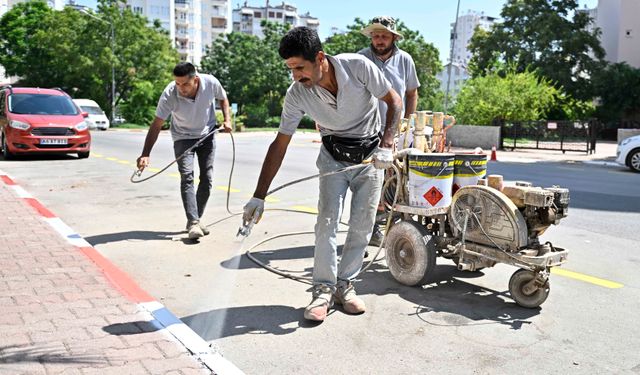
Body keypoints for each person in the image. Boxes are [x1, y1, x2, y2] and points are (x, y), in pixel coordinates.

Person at [242, 27, 402, 322]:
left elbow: (394, 101)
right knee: (326, 224)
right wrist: (258, 196)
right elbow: (280, 142)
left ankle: (345, 286)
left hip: (371, 158)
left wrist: (387, 144)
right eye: (290, 69)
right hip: (333, 157)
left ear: (319, 58)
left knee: (362, 225)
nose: (295, 76)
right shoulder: (297, 94)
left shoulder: (358, 67)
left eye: (299, 68)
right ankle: (323, 290)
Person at [136, 62, 232, 240]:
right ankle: (194, 222)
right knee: (187, 176)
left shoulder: (210, 82)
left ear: (195, 80)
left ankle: (195, 219)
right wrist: (145, 153)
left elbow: (223, 98)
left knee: (207, 177)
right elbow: (157, 125)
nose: (180, 88)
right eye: (177, 83)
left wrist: (227, 120)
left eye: (185, 84)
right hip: (182, 137)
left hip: (207, 134)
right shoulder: (170, 94)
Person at [359, 16, 421, 247]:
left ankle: (390, 227)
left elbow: (412, 93)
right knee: (368, 179)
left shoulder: (405, 60)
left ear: (394, 37)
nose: (379, 40)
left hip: (394, 130)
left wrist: (408, 123)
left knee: (394, 179)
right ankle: (370, 228)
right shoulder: (361, 58)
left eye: (384, 35)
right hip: (365, 128)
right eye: (375, 35)